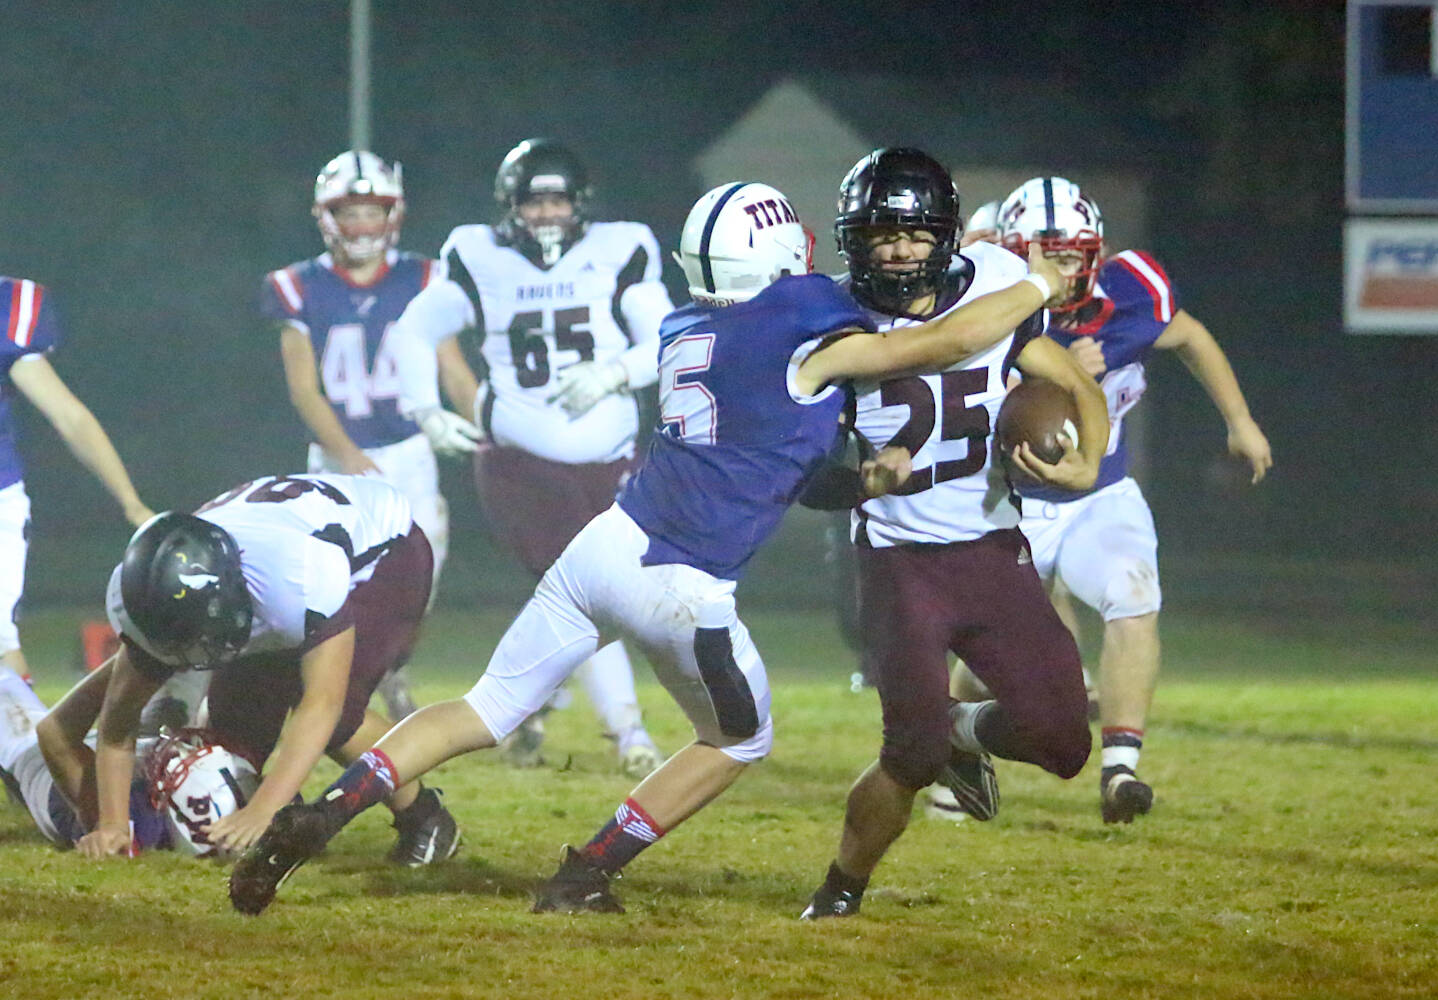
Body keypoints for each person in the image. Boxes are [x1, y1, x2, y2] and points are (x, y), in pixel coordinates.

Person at [226, 179, 1070, 917]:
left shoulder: (683, 329)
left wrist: (865, 486)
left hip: (603, 546)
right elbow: (940, 343)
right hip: (684, 585)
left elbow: (785, 467)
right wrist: (1036, 280)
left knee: (482, 709)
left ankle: (327, 810)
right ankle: (587, 870)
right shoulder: (804, 331)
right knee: (738, 741)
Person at [799, 149, 1109, 920]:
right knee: (909, 754)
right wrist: (860, 481)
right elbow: (801, 475)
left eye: (915, 234)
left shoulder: (994, 287)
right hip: (900, 561)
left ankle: (963, 732)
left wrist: (1088, 464)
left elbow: (1071, 381)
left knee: (1066, 743)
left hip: (991, 550)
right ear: (853, 240)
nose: (900, 251)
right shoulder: (828, 319)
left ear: (945, 235)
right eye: (881, 235)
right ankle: (841, 890)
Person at [951, 176, 1273, 824]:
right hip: (1006, 505)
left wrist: (1239, 420)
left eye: (1074, 253)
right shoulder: (986, 302)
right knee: (985, 655)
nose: (1063, 269)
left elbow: (1189, 336)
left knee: (1133, 595)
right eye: (1047, 253)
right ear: (1013, 251)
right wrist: (1061, 369)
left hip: (1099, 493)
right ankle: (953, 740)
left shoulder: (1128, 292)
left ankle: (1121, 771)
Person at [375, 138, 671, 778]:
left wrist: (617, 370)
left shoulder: (621, 249)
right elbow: (413, 329)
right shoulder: (479, 255)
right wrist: (426, 411)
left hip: (612, 452)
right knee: (589, 587)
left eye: (557, 200)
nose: (545, 214)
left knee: (603, 588)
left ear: (580, 204)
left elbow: (668, 339)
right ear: (511, 206)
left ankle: (542, 696)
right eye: (533, 201)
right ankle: (629, 733)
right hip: (521, 458)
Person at [69, 473, 460, 868]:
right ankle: (281, 817)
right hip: (279, 557)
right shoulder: (150, 598)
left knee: (339, 719)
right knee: (235, 730)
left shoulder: (293, 576)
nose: (195, 655)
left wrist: (262, 809)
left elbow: (321, 704)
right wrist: (114, 824)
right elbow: (117, 726)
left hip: (383, 556)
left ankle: (424, 818)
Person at [261, 150, 464, 723]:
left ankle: (390, 671)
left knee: (420, 576)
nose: (361, 226)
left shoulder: (423, 278)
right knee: (329, 581)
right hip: (334, 457)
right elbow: (304, 389)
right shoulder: (297, 287)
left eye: (372, 212)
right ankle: (324, 683)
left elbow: (451, 365)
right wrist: (346, 453)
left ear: (393, 215)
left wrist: (491, 424)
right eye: (348, 213)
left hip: (408, 449)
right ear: (326, 217)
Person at [1, 275, 154, 685]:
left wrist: (130, 502)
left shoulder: (8, 308)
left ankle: (20, 747)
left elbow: (69, 416)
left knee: (0, 646)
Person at [1, 666, 256, 855]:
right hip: (135, 747)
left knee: (6, 690)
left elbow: (54, 735)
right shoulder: (221, 804)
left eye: (179, 766)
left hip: (52, 765)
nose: (184, 752)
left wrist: (140, 659)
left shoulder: (132, 820)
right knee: (191, 664)